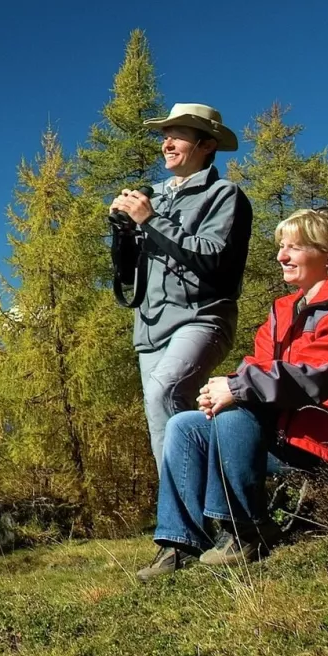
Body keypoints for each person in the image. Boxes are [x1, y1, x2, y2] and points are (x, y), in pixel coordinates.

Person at [138, 207, 328, 580]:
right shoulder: (284, 311)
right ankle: (179, 542)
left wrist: (237, 390)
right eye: (281, 247)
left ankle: (245, 529)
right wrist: (221, 389)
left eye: (294, 247)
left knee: (237, 409)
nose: (281, 256)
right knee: (185, 426)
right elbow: (257, 367)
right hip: (295, 437)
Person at [109, 103, 253, 470]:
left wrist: (151, 221)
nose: (167, 143)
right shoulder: (150, 196)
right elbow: (128, 276)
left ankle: (207, 508)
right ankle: (187, 519)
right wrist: (123, 232)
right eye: (165, 136)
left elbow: (213, 256)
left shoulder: (223, 195)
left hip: (202, 317)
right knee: (161, 424)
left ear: (207, 145)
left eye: (178, 135)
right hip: (151, 325)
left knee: (165, 394)